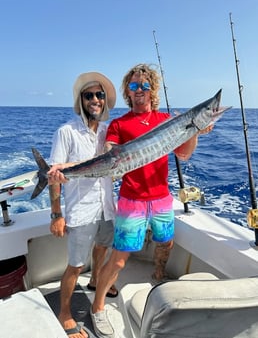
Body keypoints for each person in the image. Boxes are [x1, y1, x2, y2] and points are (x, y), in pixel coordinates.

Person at [89, 63, 213, 338]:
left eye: (145, 85)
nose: (140, 90)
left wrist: (193, 131)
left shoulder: (168, 121)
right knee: (120, 260)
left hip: (161, 199)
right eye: (134, 86)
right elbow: (110, 150)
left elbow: (183, 155)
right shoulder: (119, 124)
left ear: (153, 89)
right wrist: (110, 155)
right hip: (131, 200)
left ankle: (159, 273)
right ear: (127, 92)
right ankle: (97, 308)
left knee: (165, 242)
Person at [48, 72, 117, 338]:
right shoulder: (66, 131)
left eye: (100, 95)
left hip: (106, 206)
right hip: (81, 209)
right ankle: (64, 313)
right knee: (75, 265)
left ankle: (96, 280)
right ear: (81, 100)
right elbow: (55, 175)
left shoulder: (107, 132)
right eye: (89, 95)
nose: (95, 100)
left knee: (102, 248)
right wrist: (57, 214)